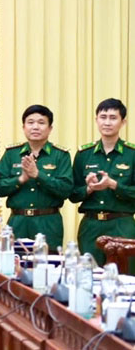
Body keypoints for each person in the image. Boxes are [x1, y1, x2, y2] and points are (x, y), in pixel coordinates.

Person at [0, 105, 72, 250]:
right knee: (13, 267)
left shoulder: (60, 155)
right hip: (18, 222)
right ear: (23, 127)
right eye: (30, 122)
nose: (35, 127)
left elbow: (66, 189)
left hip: (48, 223)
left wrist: (38, 175)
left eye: (41, 123)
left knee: (48, 267)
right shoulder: (11, 154)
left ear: (50, 128)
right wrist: (21, 179)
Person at [70, 98, 135, 265]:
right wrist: (89, 188)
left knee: (125, 277)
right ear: (96, 120)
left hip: (122, 224)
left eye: (113, 118)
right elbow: (72, 194)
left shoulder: (132, 154)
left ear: (123, 122)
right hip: (90, 225)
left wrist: (114, 185)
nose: (107, 122)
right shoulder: (84, 154)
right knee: (89, 277)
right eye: (103, 117)